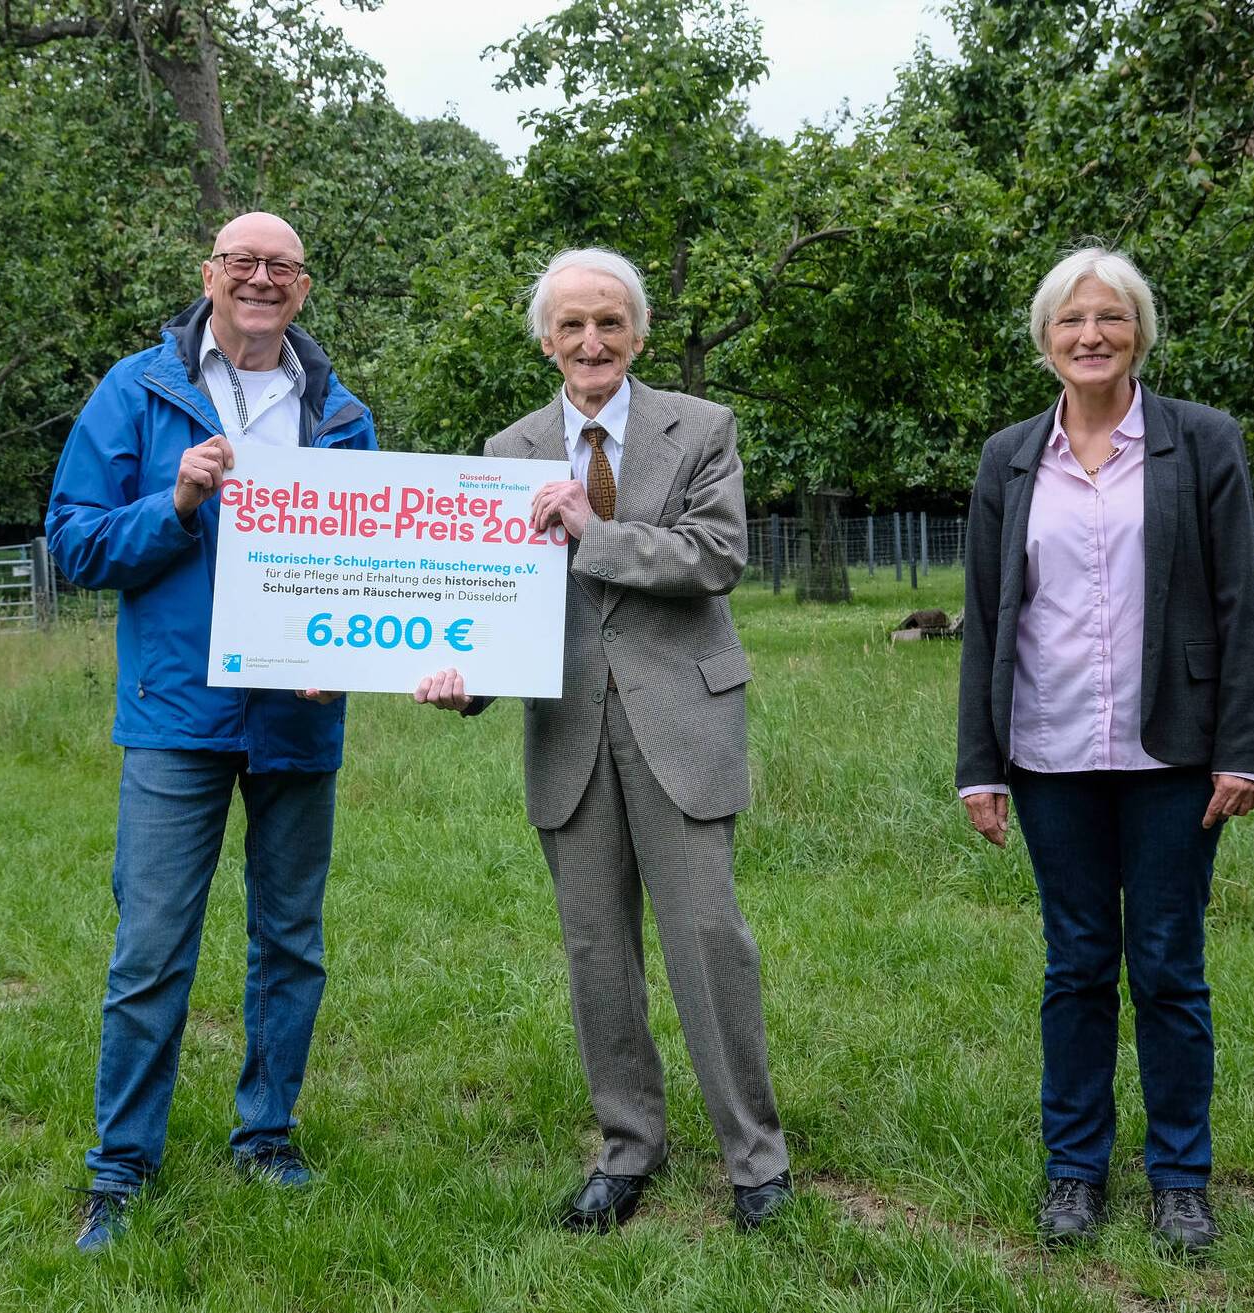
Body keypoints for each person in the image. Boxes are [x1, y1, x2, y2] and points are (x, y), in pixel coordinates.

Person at [413, 248, 793, 1231]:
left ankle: (755, 1157)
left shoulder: (700, 428)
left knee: (708, 939)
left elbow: (716, 554)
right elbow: (496, 602)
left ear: (638, 334)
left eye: (610, 322)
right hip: (567, 728)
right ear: (545, 339)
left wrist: (591, 528)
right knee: (595, 950)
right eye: (571, 324)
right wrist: (464, 677)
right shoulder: (503, 450)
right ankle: (627, 1148)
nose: (592, 341)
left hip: (682, 717)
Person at [45, 212, 377, 1252]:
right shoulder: (137, 391)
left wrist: (346, 656)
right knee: (150, 946)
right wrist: (176, 501)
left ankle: (265, 1134)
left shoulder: (342, 417)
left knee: (289, 940)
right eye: (243, 262)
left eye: (281, 266)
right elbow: (71, 542)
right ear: (209, 276)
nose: (261, 279)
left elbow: (367, 571)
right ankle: (120, 1164)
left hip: (297, 719)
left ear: (305, 287)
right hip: (175, 715)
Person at [956, 246, 1254, 1254]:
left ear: (1138, 330)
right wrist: (979, 760)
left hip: (1173, 756)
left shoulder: (1200, 442)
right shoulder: (1010, 457)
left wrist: (1244, 747)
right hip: (1049, 752)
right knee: (1077, 965)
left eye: (1109, 317)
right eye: (1069, 320)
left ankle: (1180, 1176)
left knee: (1169, 967)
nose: (1089, 335)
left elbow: (1240, 602)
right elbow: (982, 612)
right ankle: (1073, 1172)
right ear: (1045, 339)